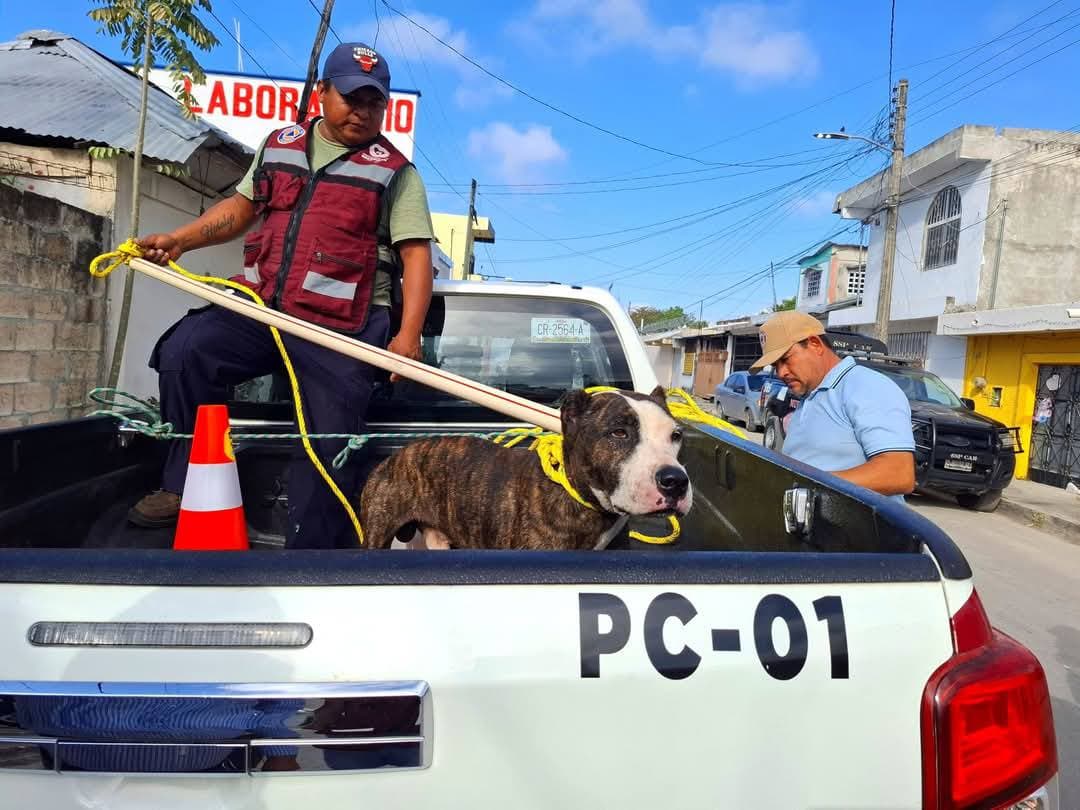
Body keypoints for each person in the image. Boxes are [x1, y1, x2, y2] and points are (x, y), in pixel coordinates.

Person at [128, 42, 435, 548]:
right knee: (185, 352)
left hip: (343, 327)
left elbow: (416, 256)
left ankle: (310, 558)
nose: (362, 111)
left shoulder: (395, 172)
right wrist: (180, 241)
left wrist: (408, 336)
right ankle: (181, 483)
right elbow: (240, 209)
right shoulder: (279, 145)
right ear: (322, 94)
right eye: (351, 98)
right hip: (263, 307)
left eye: (374, 102)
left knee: (327, 446)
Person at [751, 311, 916, 500]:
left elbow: (898, 473)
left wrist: (809, 486)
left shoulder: (865, 386)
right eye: (775, 365)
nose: (781, 372)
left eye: (786, 359)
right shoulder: (809, 396)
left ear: (815, 344)